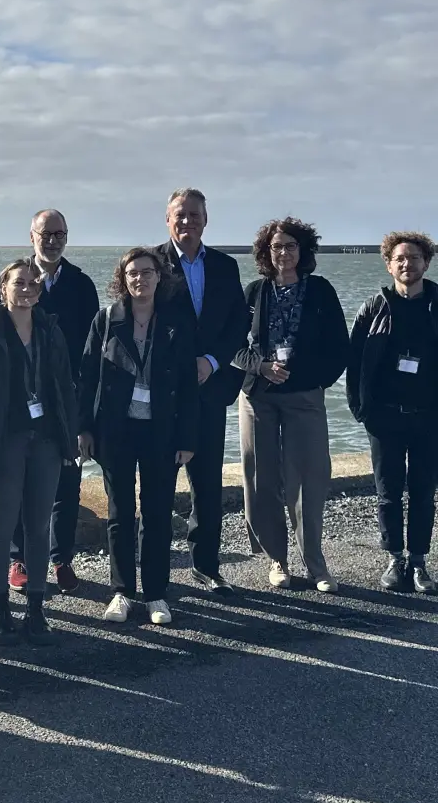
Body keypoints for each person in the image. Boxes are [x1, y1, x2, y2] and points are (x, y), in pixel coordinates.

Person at [78, 249, 198, 625]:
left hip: (161, 430)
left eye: (147, 272)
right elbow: (87, 378)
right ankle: (121, 592)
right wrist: (84, 428)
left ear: (159, 277)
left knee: (158, 513)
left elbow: (187, 385)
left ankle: (157, 594)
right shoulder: (106, 320)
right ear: (123, 279)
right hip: (116, 430)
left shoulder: (176, 323)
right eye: (132, 273)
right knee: (119, 513)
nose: (140, 279)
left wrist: (187, 437)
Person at [0, 259, 78, 644]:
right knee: (1, 525)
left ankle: (36, 606)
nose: (26, 289)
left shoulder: (50, 331)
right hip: (5, 443)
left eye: (33, 283)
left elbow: (64, 387)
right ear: (3, 289)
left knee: (38, 526)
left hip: (44, 441)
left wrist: (69, 439)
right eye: (18, 283)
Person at [233, 218, 349, 593]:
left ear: (304, 251)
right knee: (260, 479)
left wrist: (313, 380)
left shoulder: (320, 291)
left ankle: (316, 563)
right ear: (266, 253)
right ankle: (277, 560)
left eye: (290, 246)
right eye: (276, 247)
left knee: (310, 478)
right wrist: (261, 366)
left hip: (304, 397)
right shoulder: (253, 292)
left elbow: (339, 347)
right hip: (258, 396)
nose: (283, 253)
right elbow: (230, 347)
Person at [156, 189, 250, 594]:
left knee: (207, 483)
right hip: (164, 393)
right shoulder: (151, 263)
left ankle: (206, 566)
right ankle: (155, 570)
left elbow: (237, 324)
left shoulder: (226, 267)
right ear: (167, 219)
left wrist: (211, 361)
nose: (187, 222)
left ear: (205, 221)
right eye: (180, 215)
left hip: (210, 389)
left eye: (194, 215)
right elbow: (140, 321)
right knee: (159, 482)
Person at [9, 209, 99, 594]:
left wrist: (86, 418)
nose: (52, 240)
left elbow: (96, 351)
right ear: (32, 236)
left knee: (68, 481)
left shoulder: (81, 284)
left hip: (68, 401)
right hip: (23, 400)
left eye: (59, 233)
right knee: (19, 482)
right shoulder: (19, 279)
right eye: (45, 233)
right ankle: (19, 558)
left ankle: (61, 559)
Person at [347, 232, 438, 594]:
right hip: (384, 416)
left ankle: (418, 562)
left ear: (426, 263)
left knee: (423, 491)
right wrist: (360, 409)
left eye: (414, 258)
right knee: (388, 492)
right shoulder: (374, 307)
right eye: (399, 258)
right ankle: (394, 557)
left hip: (430, 416)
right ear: (388, 264)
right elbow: (354, 362)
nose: (407, 264)